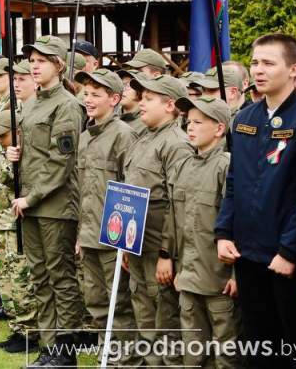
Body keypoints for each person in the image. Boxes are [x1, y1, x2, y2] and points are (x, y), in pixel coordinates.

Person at [216, 34, 296, 365]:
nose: (258, 70)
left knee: (292, 346)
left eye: (269, 63)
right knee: (257, 344)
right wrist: (224, 232)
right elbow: (235, 182)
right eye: (255, 62)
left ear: (294, 69)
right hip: (247, 253)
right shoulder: (244, 120)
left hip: (286, 260)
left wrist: (288, 251)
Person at [6, 35, 84, 367]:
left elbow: (60, 162)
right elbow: (35, 154)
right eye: (32, 60)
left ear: (59, 65)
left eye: (42, 60)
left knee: (61, 277)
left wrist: (30, 197)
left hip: (54, 204)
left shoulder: (67, 105)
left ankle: (65, 351)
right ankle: (49, 346)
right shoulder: (33, 103)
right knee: (39, 275)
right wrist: (15, 153)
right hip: (31, 202)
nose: (35, 65)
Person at [123, 73, 193, 367]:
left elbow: (178, 205)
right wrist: (124, 243)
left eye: (149, 99)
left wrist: (167, 253)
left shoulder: (176, 144)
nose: (141, 104)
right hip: (137, 243)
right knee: (145, 315)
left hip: (158, 248)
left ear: (169, 105)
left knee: (166, 322)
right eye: (141, 97)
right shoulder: (143, 138)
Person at [73, 68, 139, 364]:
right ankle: (107, 355)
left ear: (114, 99)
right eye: (86, 94)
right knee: (96, 302)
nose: (88, 100)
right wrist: (79, 236)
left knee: (120, 305)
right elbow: (83, 191)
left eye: (96, 95)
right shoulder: (86, 136)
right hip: (89, 235)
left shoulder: (124, 136)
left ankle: (124, 361)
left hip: (114, 238)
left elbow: (132, 191)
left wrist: (125, 241)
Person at [172, 95, 238, 369]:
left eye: (199, 122)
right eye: (188, 122)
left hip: (219, 279)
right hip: (189, 276)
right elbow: (177, 222)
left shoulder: (227, 165)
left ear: (220, 129)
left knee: (226, 350)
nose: (190, 127)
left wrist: (237, 274)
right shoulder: (185, 165)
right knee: (193, 350)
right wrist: (177, 266)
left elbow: (239, 222)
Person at [0, 108, 38, 354]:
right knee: (5, 282)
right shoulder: (3, 153)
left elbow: (8, 177)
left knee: (20, 282)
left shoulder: (20, 155)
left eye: (4, 135)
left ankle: (30, 333)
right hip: (1, 224)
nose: (0, 139)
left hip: (17, 227)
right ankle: (17, 328)